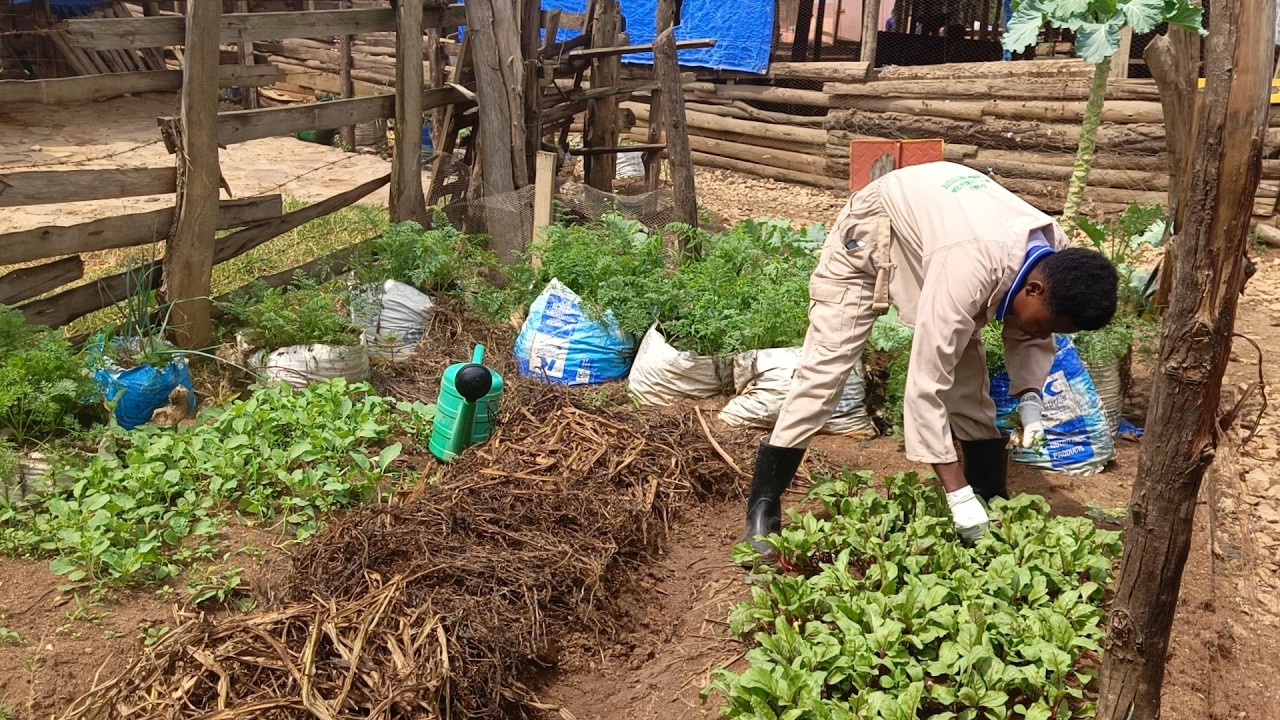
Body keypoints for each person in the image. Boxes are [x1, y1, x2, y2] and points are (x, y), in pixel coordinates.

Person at [743, 161, 1119, 562]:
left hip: (944, 228)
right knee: (825, 372)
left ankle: (989, 494)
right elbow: (925, 384)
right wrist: (956, 496)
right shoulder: (969, 269)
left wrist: (1030, 400)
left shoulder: (1057, 256)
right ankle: (763, 505)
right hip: (874, 227)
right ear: (1034, 288)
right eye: (1048, 326)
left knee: (968, 380)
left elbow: (1028, 333)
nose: (1046, 336)